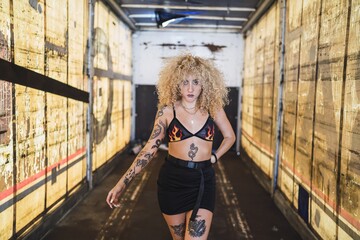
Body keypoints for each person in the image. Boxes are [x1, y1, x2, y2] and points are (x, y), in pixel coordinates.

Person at [106, 53, 235, 240]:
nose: (190, 88)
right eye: (184, 82)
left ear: (204, 84)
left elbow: (230, 137)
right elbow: (149, 149)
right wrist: (122, 183)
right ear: (176, 83)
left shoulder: (212, 108)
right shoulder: (167, 111)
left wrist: (214, 157)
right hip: (173, 181)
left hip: (202, 181)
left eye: (196, 82)